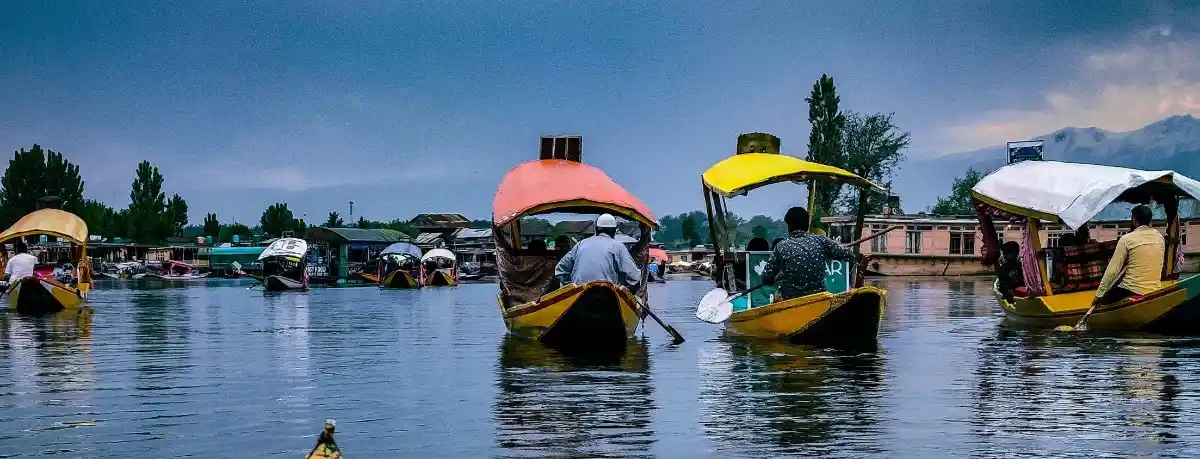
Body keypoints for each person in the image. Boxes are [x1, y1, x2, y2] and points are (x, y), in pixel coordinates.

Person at [761, 206, 856, 300]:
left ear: (789, 226)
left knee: (777, 296)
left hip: (791, 298)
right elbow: (849, 254)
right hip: (818, 297)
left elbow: (766, 278)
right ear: (807, 225)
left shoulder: (780, 246)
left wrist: (776, 277)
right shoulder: (821, 240)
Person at [545, 213, 641, 295]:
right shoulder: (618, 246)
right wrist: (625, 292)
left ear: (596, 229)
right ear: (614, 231)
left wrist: (571, 286)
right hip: (608, 296)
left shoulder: (581, 244)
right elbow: (634, 277)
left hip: (578, 296)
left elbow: (560, 270)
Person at [1095, 205, 1164, 305]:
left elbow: (1112, 271)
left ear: (1134, 220)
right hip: (1155, 289)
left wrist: (1099, 295)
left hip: (1131, 290)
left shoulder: (1127, 239)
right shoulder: (1159, 237)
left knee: (1104, 300)